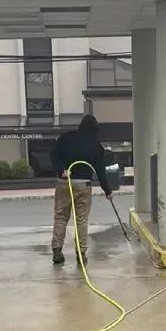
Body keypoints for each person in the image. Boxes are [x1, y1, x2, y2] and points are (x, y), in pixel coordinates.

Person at [49, 114, 115, 265]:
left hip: (64, 182)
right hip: (83, 185)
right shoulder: (96, 146)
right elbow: (100, 170)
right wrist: (108, 191)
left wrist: (61, 170)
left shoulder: (65, 138)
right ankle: (81, 253)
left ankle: (57, 250)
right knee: (81, 219)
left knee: (60, 216)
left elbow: (53, 155)